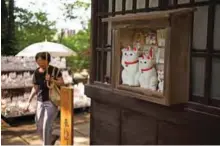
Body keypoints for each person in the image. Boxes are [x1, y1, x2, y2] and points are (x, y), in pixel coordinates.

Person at [25, 52, 64, 145]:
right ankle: (51, 138)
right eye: (38, 62)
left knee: (47, 125)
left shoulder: (55, 70)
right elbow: (35, 88)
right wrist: (29, 101)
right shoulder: (36, 72)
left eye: (42, 61)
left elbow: (62, 83)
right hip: (40, 101)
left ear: (48, 60)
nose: (40, 64)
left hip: (51, 101)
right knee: (38, 124)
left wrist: (51, 79)